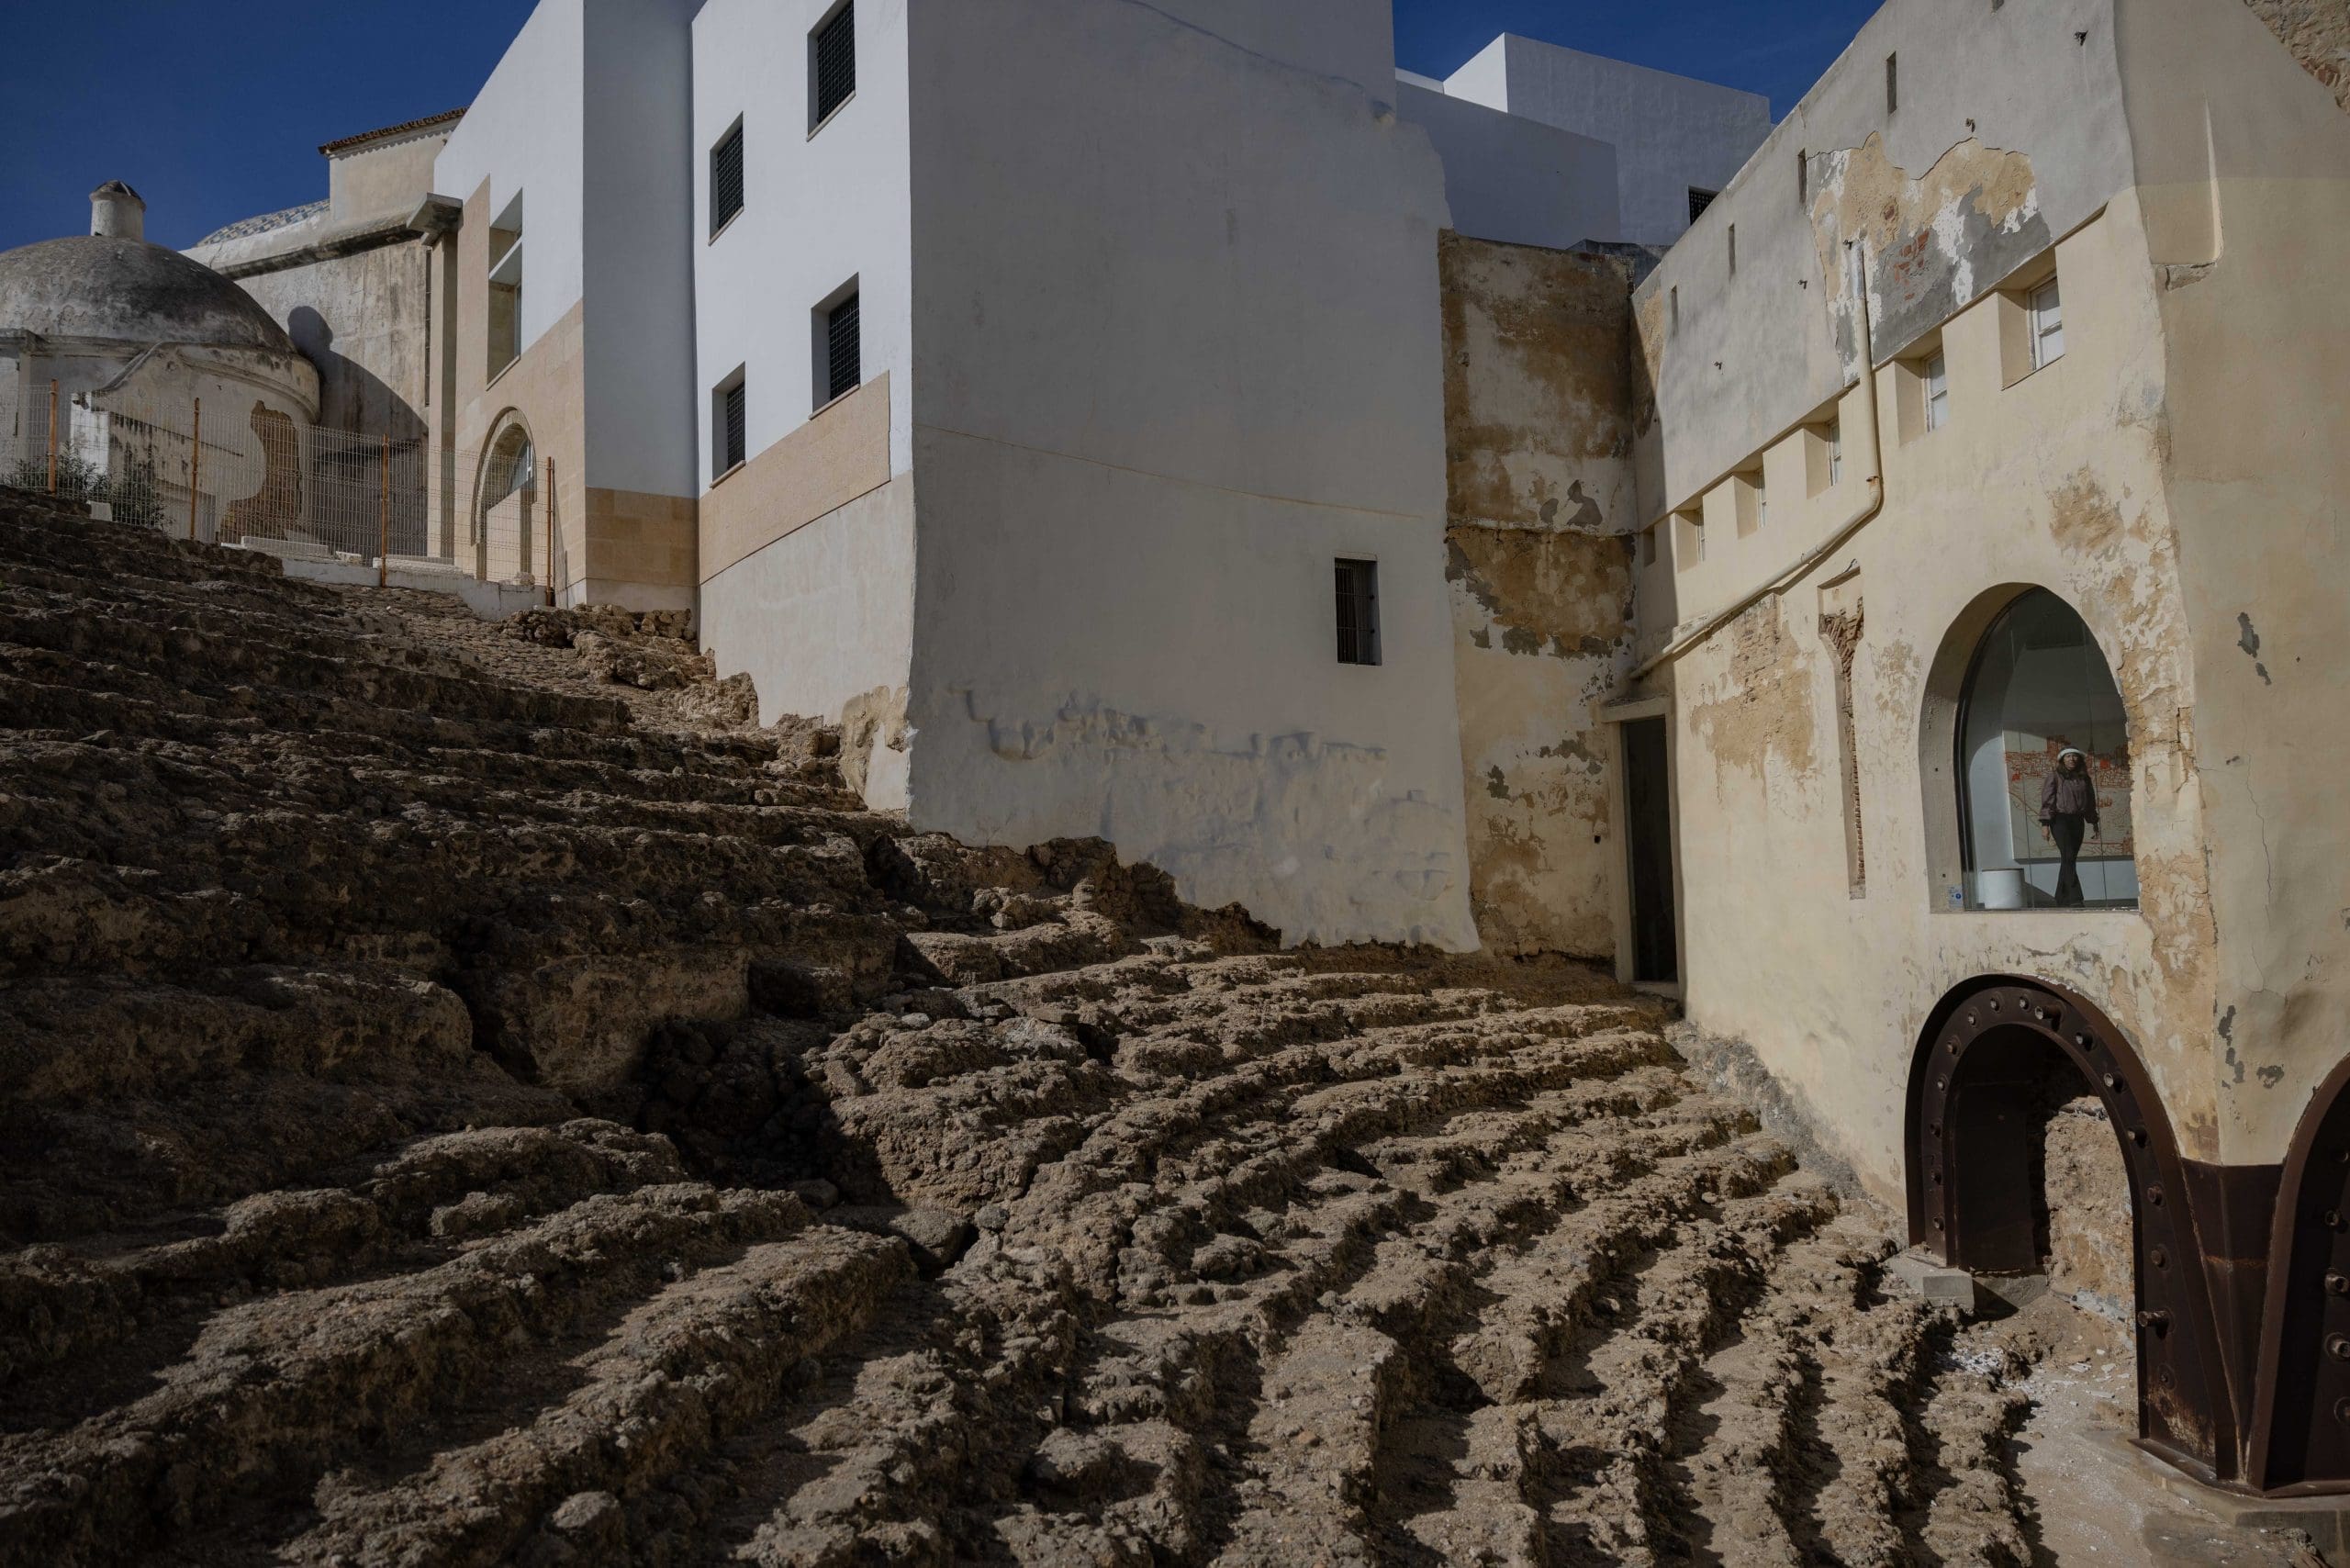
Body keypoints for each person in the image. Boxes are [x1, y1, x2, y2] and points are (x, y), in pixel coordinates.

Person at [2040, 747, 2099, 906]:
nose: (2071, 759)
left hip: (2077, 821)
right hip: (2060, 820)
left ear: (2079, 760)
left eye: (2074, 756)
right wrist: (2045, 824)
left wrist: (2094, 822)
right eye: (2068, 756)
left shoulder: (2084, 778)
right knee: (2068, 857)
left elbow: (2090, 802)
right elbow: (2047, 801)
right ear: (2062, 760)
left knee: (2069, 859)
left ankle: (2061, 898)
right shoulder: (2054, 776)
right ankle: (2075, 898)